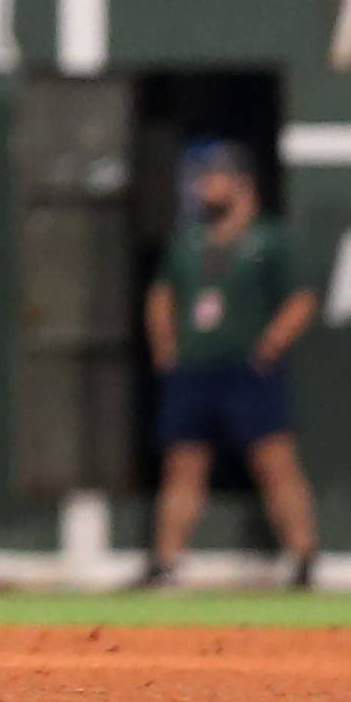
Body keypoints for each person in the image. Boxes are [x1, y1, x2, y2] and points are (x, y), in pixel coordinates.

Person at [138, 140, 317, 589]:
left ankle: (303, 559)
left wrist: (270, 346)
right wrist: (165, 347)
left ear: (241, 183)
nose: (204, 187)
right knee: (183, 466)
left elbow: (301, 297)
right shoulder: (188, 240)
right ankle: (165, 563)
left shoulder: (269, 239)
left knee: (276, 463)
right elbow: (162, 293)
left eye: (213, 177)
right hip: (196, 369)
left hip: (247, 370)